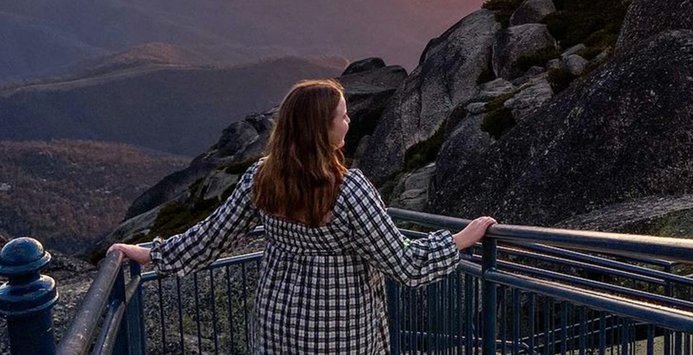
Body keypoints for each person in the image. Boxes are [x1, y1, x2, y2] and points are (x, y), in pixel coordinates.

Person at [109, 78, 496, 354]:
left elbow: (212, 237)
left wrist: (152, 254)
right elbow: (406, 266)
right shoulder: (349, 189)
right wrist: (461, 239)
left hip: (278, 324)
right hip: (340, 332)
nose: (349, 123)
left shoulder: (263, 177)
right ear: (319, 129)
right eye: (342, 117)